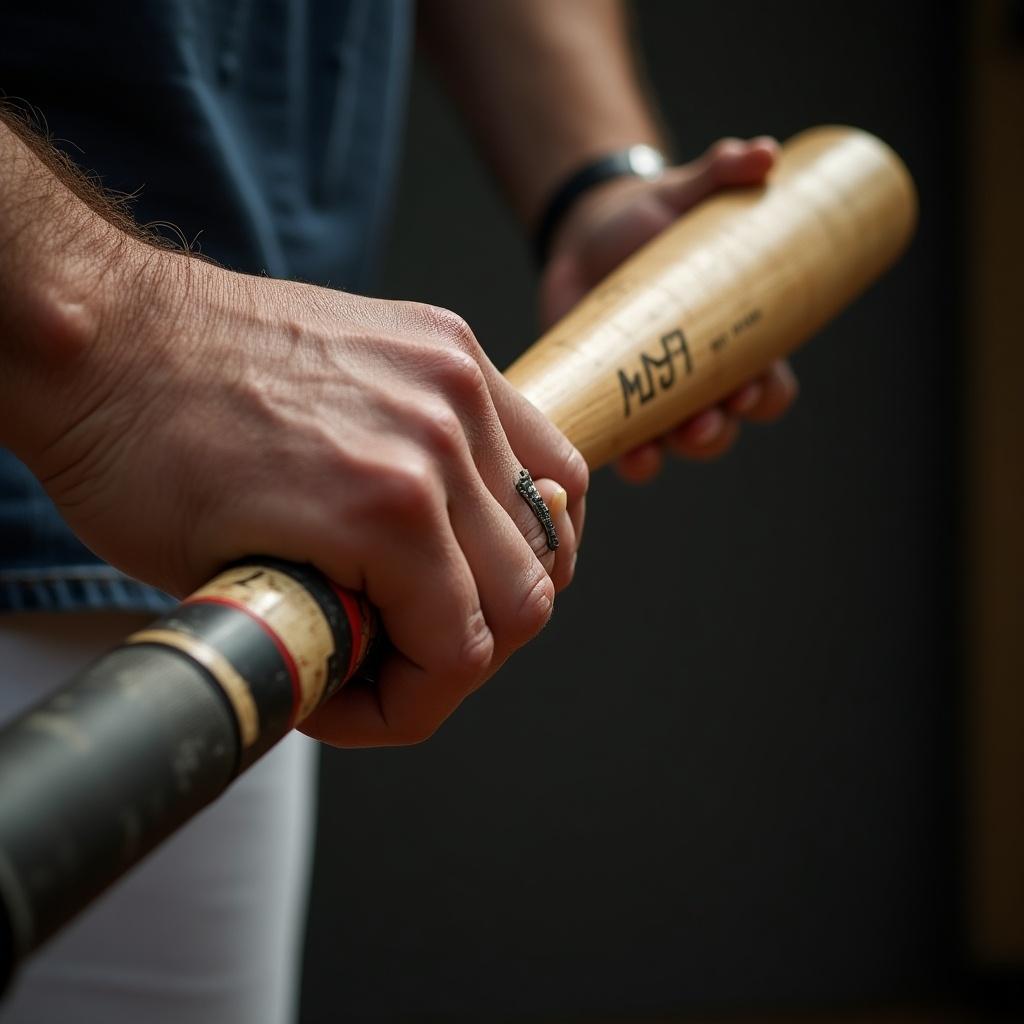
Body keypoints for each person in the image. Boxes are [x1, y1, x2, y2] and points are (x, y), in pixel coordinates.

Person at [0, 2, 797, 1021]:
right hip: (148, 438)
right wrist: (116, 334)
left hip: (248, 557)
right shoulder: (131, 368)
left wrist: (595, 179)